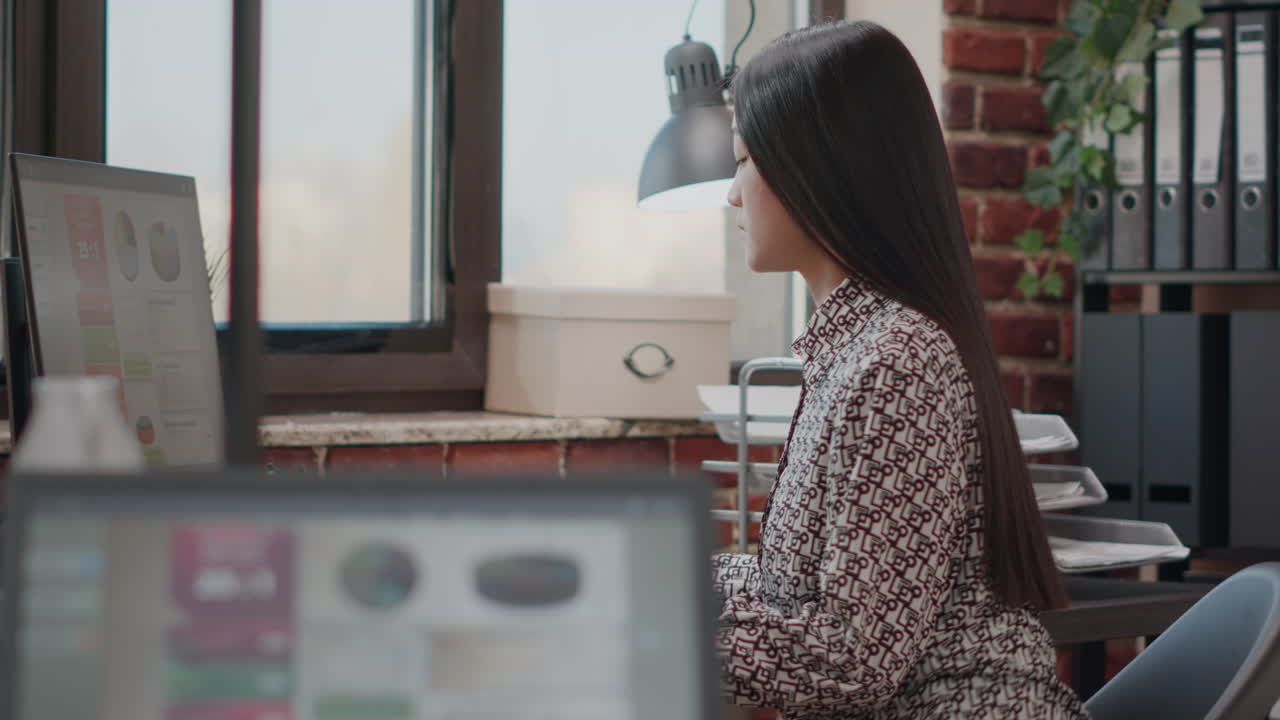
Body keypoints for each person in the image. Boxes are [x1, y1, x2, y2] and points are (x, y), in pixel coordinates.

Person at [713, 19, 1089, 719]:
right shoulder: (855, 347)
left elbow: (851, 662)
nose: (732, 194)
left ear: (816, 170)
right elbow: (799, 592)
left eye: (743, 161)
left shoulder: (895, 361)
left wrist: (656, 621)